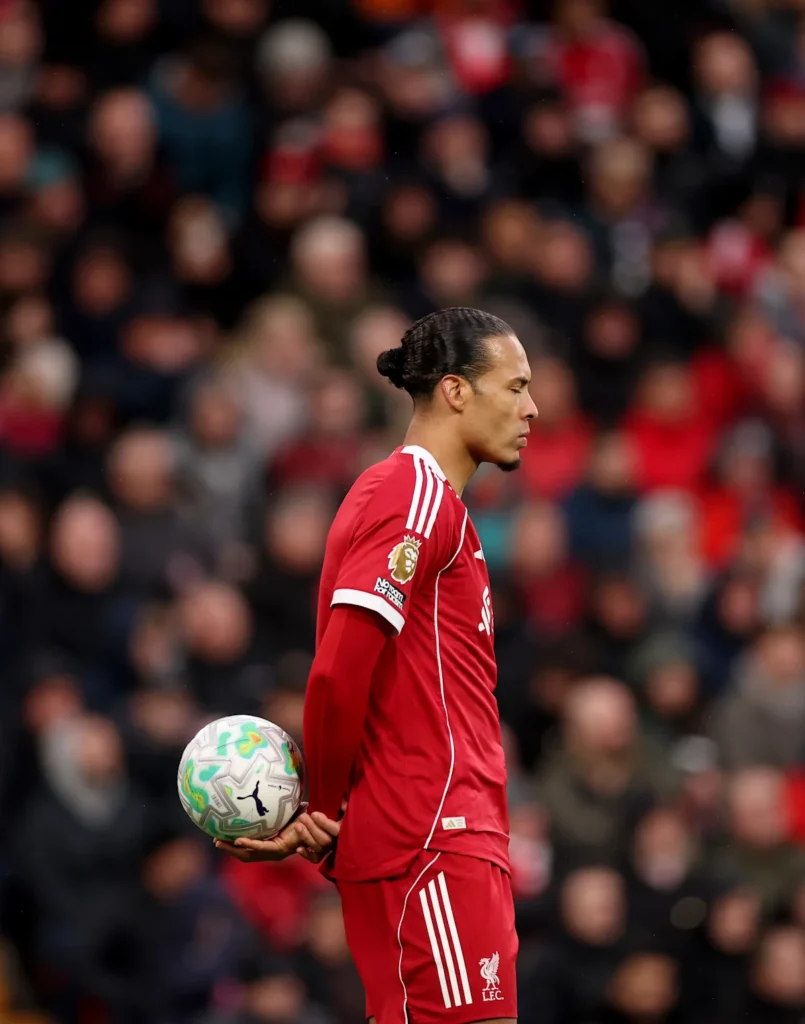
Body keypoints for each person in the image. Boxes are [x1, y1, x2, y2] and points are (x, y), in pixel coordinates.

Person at [215, 307, 537, 1024]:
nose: (531, 409)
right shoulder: (410, 495)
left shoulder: (438, 507)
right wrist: (324, 810)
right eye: (515, 387)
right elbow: (338, 669)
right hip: (432, 837)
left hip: (448, 836)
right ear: (456, 391)